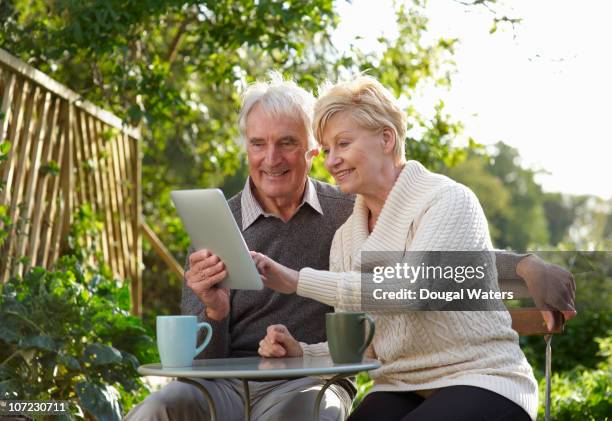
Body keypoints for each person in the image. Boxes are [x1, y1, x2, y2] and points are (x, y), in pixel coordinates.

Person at [126, 73, 575, 421]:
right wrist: (224, 314)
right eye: (258, 144)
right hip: (367, 381)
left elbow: (427, 275)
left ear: (309, 153)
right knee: (156, 410)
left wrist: (525, 265)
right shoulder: (336, 228)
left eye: (289, 143)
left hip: (439, 378)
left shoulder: (358, 206)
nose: (271, 158)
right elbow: (359, 339)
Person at [251, 75, 562, 421]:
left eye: (343, 143)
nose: (332, 160)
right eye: (326, 150)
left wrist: (297, 280)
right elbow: (359, 345)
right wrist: (301, 353)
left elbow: (413, 289)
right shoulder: (346, 237)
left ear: (386, 138)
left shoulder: (447, 201)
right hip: (400, 386)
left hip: (482, 378)